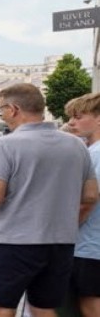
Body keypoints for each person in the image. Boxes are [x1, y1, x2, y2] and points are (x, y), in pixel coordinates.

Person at [0, 83, 98, 317]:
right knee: (43, 308)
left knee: (0, 308)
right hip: (60, 244)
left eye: (0, 111)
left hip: (14, 242)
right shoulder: (76, 146)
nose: (1, 115)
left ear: (14, 109)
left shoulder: (6, 144)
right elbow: (90, 195)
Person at [66, 91, 100, 317]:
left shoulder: (95, 154)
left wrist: (63, 232)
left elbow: (88, 201)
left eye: (78, 116)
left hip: (89, 246)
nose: (71, 122)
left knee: (90, 303)